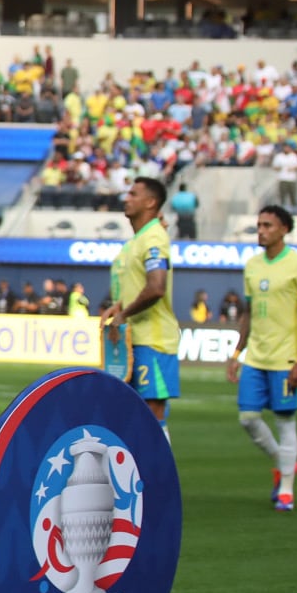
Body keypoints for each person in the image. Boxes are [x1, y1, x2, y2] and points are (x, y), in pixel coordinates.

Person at [226, 204, 297, 512]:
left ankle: (286, 490)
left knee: (285, 422)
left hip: (286, 359)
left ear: (284, 229)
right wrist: (237, 352)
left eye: (267, 225)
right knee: (247, 418)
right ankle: (284, 463)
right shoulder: (252, 265)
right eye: (259, 225)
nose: (261, 231)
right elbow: (249, 313)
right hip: (256, 357)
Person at [104, 175, 179, 435]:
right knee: (130, 417)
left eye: (133, 194)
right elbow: (139, 286)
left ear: (150, 202)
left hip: (153, 341)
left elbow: (156, 287)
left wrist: (124, 313)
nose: (126, 198)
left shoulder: (154, 238)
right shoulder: (138, 240)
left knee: (152, 416)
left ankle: (162, 467)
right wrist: (118, 306)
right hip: (132, 340)